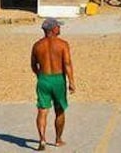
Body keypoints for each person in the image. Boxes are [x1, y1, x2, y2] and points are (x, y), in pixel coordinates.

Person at [31, 17, 76, 150]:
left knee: (42, 110)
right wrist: (71, 82)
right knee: (59, 110)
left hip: (43, 79)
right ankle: (58, 139)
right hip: (58, 80)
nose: (60, 28)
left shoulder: (37, 45)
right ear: (53, 29)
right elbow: (67, 64)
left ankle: (42, 139)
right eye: (58, 26)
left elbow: (33, 65)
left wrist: (40, 75)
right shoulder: (63, 44)